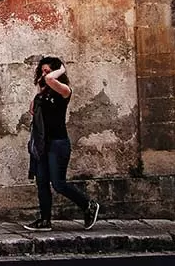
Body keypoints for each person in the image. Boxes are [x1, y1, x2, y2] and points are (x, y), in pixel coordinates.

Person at [23, 56, 100, 231]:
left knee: (58, 184)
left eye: (47, 71)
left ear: (57, 72)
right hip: (43, 144)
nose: (44, 74)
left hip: (58, 144)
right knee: (41, 182)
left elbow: (51, 80)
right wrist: (39, 89)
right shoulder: (42, 93)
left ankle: (89, 205)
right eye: (42, 71)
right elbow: (33, 110)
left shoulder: (65, 91)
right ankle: (44, 221)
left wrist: (61, 70)